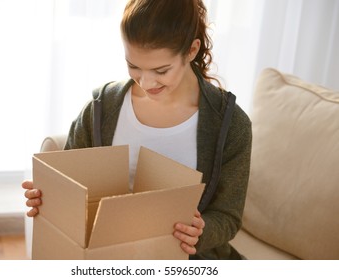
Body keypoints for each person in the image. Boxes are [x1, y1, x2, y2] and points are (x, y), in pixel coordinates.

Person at [22, 0, 252, 260]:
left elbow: (228, 216)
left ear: (191, 50)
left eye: (161, 70)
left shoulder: (231, 124)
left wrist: (201, 231)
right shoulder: (102, 108)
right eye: (134, 66)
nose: (146, 82)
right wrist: (48, 197)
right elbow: (70, 182)